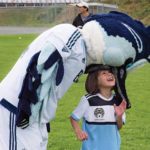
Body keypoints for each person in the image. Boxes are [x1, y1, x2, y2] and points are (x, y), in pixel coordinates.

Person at [0, 11, 149, 149]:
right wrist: (26, 107)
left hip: (37, 118)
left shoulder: (84, 57)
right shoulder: (70, 33)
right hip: (18, 110)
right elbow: (41, 64)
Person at [70, 64, 126, 150]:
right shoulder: (88, 100)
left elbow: (119, 127)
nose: (110, 74)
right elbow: (73, 118)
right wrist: (78, 132)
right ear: (95, 80)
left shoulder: (118, 101)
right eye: (104, 73)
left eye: (111, 72)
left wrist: (119, 116)